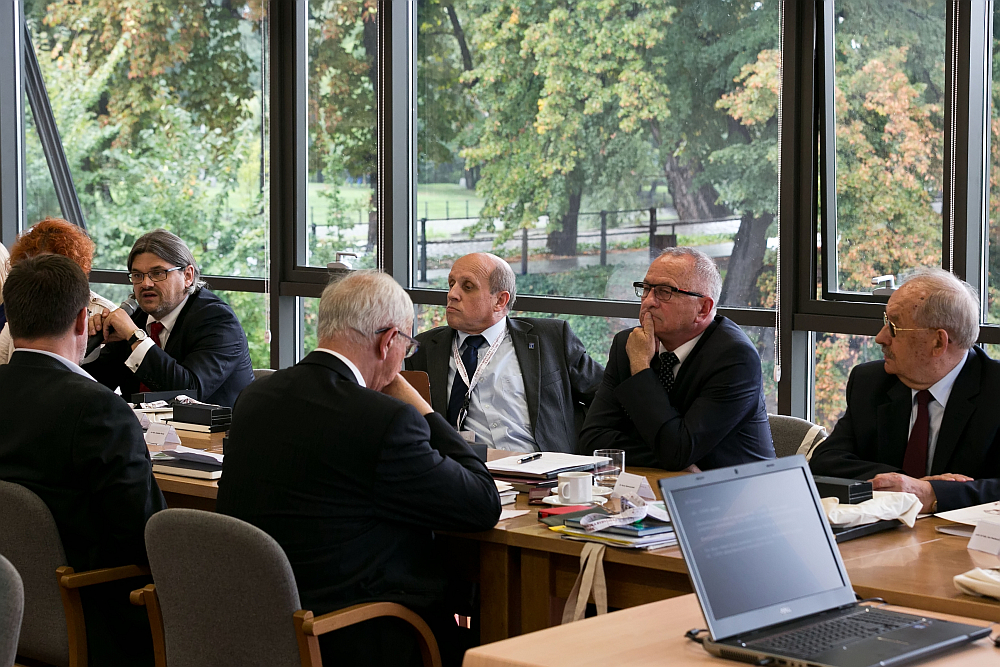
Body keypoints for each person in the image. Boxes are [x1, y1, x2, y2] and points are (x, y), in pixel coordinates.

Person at [216, 270, 501, 667]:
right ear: (388, 341)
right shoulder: (384, 421)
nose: (404, 357)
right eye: (406, 345)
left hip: (261, 630)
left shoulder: (256, 396)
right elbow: (482, 502)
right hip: (360, 636)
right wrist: (422, 407)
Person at [0, 254, 166, 666]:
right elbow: (145, 537)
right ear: (80, 321)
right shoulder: (98, 409)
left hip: (11, 615)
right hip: (95, 617)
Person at [809, 268, 1000, 513]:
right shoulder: (870, 382)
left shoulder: (994, 390)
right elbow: (825, 462)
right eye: (885, 322)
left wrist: (933, 494)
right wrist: (904, 484)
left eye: (894, 328)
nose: (880, 338)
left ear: (938, 342)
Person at [580, 247, 774, 470]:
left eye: (664, 292)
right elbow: (592, 441)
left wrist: (641, 368)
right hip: (659, 483)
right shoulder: (629, 344)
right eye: (646, 289)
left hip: (736, 487)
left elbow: (677, 450)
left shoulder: (735, 358)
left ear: (703, 308)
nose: (648, 301)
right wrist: (676, 459)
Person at [405, 252, 604, 453]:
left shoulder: (551, 338)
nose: (452, 294)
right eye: (451, 284)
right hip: (466, 467)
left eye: (468, 286)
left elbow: (605, 399)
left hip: (541, 465)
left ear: (500, 300)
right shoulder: (425, 348)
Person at [84, 228, 254, 407]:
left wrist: (135, 337)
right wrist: (84, 342)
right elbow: (92, 387)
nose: (145, 284)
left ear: (188, 276)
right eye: (137, 275)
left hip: (211, 425)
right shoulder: (135, 318)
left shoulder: (218, 320)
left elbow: (188, 392)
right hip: (139, 425)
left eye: (158, 273)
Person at [0, 218, 115, 364]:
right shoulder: (21, 313)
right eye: (35, 267)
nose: (43, 275)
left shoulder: (105, 315)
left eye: (55, 268)